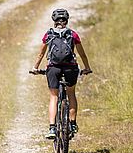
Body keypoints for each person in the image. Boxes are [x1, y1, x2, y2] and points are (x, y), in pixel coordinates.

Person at [30, 8, 92, 139]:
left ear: (54, 20)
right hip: (71, 68)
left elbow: (41, 54)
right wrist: (87, 68)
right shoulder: (73, 34)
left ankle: (52, 128)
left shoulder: (49, 35)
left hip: (53, 68)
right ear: (67, 20)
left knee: (54, 96)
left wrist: (35, 68)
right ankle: (73, 124)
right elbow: (82, 54)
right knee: (71, 93)